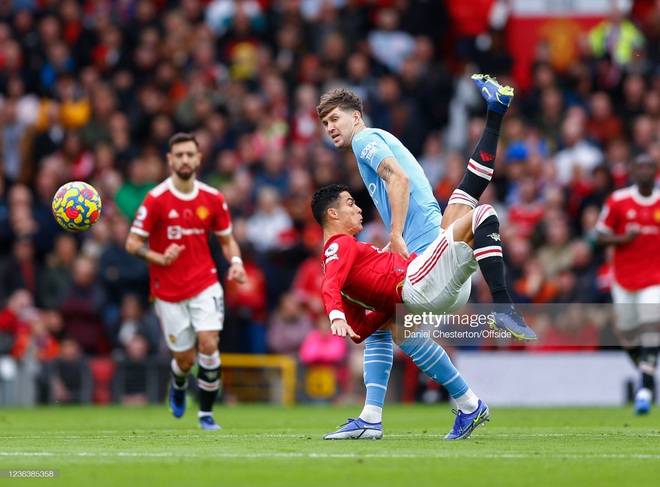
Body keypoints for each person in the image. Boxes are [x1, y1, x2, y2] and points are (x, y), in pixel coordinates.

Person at [316, 75, 536, 439]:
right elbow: (468, 180)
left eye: (335, 118)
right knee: (388, 325)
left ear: (356, 116)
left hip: (426, 266)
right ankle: (452, 407)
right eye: (325, 124)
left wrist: (395, 233)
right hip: (437, 257)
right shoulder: (380, 139)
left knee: (481, 213)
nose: (330, 128)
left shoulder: (366, 141)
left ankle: (503, 308)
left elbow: (397, 180)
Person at [311, 183, 528, 439]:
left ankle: (376, 417)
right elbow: (335, 290)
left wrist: (380, 307)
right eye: (350, 203)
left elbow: (356, 324)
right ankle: (465, 402)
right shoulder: (339, 245)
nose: (358, 209)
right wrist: (336, 314)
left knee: (391, 329)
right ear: (332, 214)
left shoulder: (345, 257)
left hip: (419, 288)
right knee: (481, 213)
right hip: (419, 281)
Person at [125, 132, 247, 430]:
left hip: (205, 283)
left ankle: (206, 414)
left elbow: (227, 240)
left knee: (208, 344)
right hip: (168, 290)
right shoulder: (156, 199)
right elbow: (132, 242)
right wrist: (159, 258)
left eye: (189, 154)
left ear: (198, 158)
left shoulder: (213, 197)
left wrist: (236, 263)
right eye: (178, 155)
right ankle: (179, 382)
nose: (184, 160)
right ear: (170, 159)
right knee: (184, 359)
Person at [596, 153, 660, 415]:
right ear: (632, 171)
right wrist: (623, 237)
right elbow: (599, 237)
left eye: (649, 167)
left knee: (651, 326)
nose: (644, 171)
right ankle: (648, 373)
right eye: (640, 166)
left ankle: (644, 389)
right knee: (628, 335)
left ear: (655, 171)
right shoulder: (618, 200)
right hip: (623, 279)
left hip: (654, 279)